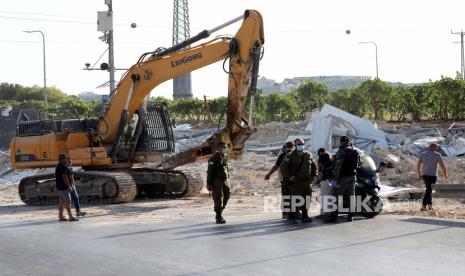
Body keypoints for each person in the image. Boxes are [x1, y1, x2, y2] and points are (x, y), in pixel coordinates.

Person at [280, 138, 317, 223]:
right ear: (295, 145)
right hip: (296, 183)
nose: (301, 146)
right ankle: (294, 217)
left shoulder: (308, 154)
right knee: (295, 200)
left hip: (307, 182)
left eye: (302, 144)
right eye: (299, 144)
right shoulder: (290, 155)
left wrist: (313, 177)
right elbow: (283, 168)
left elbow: (314, 167)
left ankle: (305, 216)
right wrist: (289, 177)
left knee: (307, 199)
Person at [324, 136, 359, 223]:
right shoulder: (355, 151)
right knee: (351, 197)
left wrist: (334, 181)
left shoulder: (341, 152)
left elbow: (337, 168)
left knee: (335, 196)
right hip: (352, 177)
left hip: (342, 178)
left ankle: (333, 217)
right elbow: (358, 165)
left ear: (341, 142)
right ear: (348, 142)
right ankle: (350, 217)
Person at [264, 141, 294, 219]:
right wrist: (269, 174)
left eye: (290, 147)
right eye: (286, 147)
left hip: (295, 180)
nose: (288, 149)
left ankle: (294, 212)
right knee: (286, 196)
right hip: (285, 180)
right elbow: (276, 166)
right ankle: (285, 213)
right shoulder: (282, 156)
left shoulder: (296, 155)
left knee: (294, 196)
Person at [417, 143, 448, 211]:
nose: (437, 149)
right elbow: (442, 165)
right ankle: (423, 206)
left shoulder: (423, 154)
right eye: (436, 147)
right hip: (433, 175)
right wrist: (445, 174)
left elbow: (418, 165)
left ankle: (430, 205)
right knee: (429, 190)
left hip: (424, 175)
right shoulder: (437, 155)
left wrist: (419, 174)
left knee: (429, 189)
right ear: (435, 148)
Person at [207, 142, 230, 224]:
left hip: (225, 180)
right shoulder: (213, 159)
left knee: (227, 196)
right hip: (217, 181)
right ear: (219, 149)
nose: (226, 149)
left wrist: (228, 178)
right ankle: (218, 215)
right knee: (218, 198)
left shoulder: (225, 157)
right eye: (224, 147)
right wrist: (209, 184)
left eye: (225, 147)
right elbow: (210, 172)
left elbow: (226, 168)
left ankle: (220, 211)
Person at [55, 153, 78, 222]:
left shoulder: (59, 166)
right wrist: (69, 186)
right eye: (65, 158)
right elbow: (65, 177)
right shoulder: (62, 167)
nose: (67, 159)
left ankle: (60, 216)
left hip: (60, 187)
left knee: (61, 201)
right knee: (68, 201)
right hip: (64, 187)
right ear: (62, 159)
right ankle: (70, 217)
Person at [316, 147, 333, 218]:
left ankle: (324, 213)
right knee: (331, 195)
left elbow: (320, 170)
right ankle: (330, 212)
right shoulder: (332, 157)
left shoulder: (321, 158)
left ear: (319, 153)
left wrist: (318, 179)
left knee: (324, 196)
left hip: (325, 179)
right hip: (333, 180)